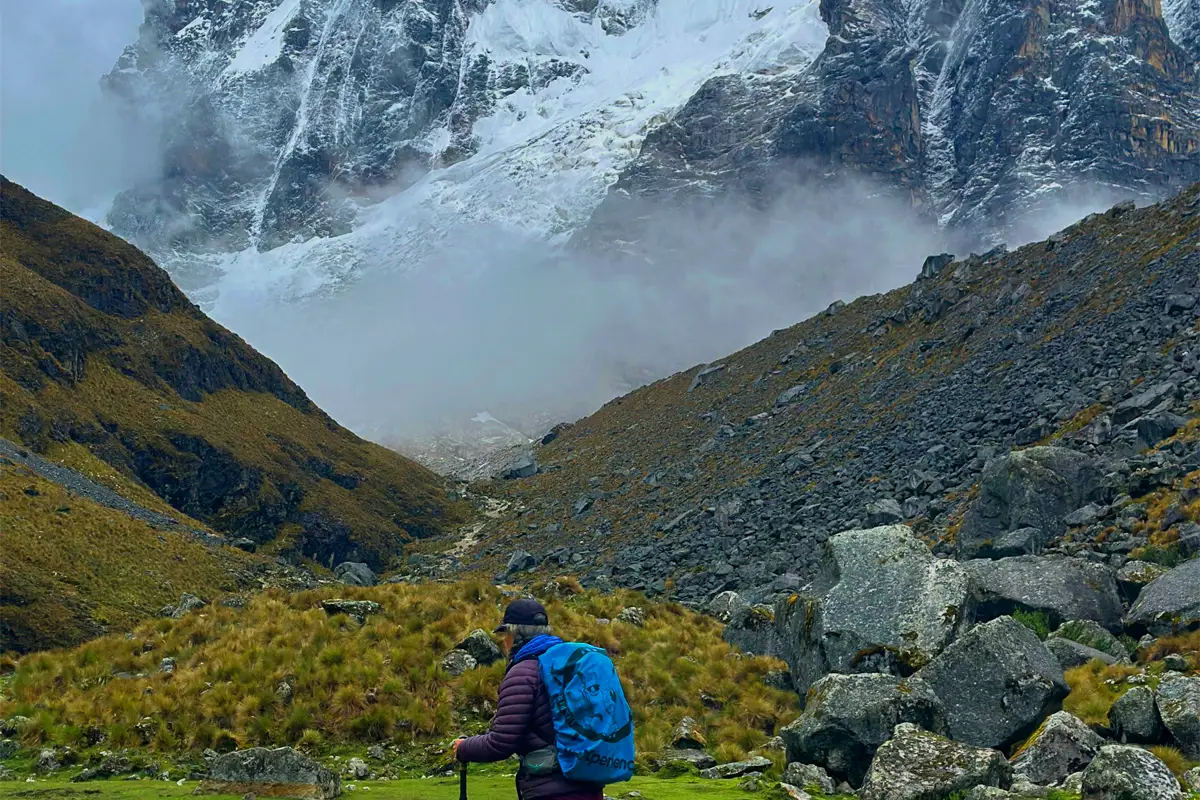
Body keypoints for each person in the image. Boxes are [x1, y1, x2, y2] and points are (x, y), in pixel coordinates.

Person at [452, 598, 603, 800]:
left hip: (551, 790)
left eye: (505, 633)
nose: (504, 641)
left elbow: (500, 742)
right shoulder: (571, 667)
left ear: (514, 634)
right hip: (589, 785)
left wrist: (464, 747)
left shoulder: (522, 673)